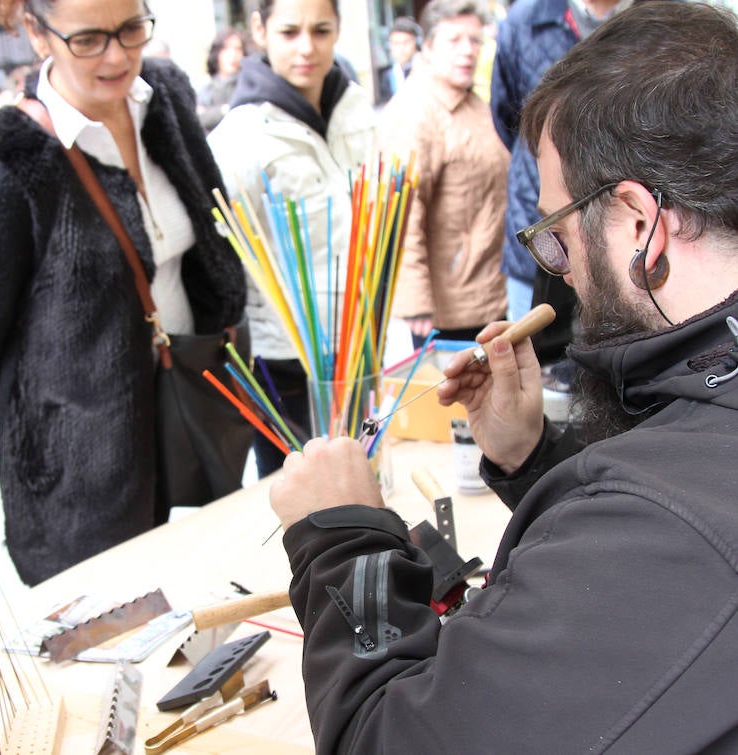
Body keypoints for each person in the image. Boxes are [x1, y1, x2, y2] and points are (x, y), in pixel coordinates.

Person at [269, 2, 738, 751]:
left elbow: (388, 735)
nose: (563, 270)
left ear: (639, 221)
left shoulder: (667, 522)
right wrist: (534, 456)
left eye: (557, 232)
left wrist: (341, 544)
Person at [0, 0, 247, 586]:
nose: (118, 55)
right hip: (84, 490)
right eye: (88, 39)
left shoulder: (167, 100)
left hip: (194, 418)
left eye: (131, 29)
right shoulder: (8, 173)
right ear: (35, 32)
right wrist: (66, 413)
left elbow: (213, 233)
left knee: (215, 627)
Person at [207, 0, 375, 479]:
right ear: (260, 30)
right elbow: (220, 253)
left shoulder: (355, 108)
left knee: (360, 478)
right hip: (284, 354)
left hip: (358, 339)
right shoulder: (240, 136)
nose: (307, 47)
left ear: (338, 29)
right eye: (289, 32)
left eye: (321, 30)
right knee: (297, 494)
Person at [491, 0, 632, 331]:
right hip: (541, 231)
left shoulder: (665, 14)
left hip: (634, 239)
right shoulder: (524, 20)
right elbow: (508, 119)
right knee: (532, 358)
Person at [378, 0, 508, 349]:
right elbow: (401, 214)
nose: (467, 51)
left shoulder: (477, 104)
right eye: (454, 40)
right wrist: (414, 300)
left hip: (490, 292)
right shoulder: (414, 113)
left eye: (475, 40)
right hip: (446, 310)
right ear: (430, 47)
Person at [195, 27, 246, 133]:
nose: (233, 54)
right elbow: (199, 119)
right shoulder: (206, 90)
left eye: (237, 49)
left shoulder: (248, 85)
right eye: (226, 48)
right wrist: (223, 110)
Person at [376, 16, 422, 105]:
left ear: (416, 42)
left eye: (406, 42)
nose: (401, 48)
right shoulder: (388, 76)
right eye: (396, 43)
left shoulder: (426, 69)